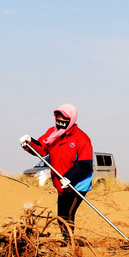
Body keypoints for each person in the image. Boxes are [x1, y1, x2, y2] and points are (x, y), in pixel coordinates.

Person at [19, 103, 93, 243]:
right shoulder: (53, 133)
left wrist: (70, 177)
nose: (60, 121)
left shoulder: (81, 138)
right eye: (58, 118)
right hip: (60, 182)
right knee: (61, 215)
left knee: (69, 214)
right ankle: (67, 240)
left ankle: (70, 243)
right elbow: (41, 148)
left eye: (64, 119)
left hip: (77, 184)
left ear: (71, 119)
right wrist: (29, 144)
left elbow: (85, 165)